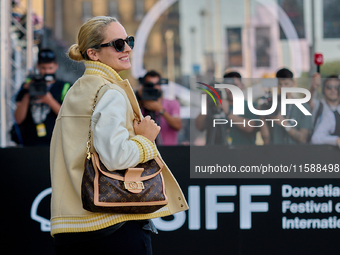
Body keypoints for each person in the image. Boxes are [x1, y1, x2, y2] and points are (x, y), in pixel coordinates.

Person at [50, 16, 188, 254]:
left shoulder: (75, 91)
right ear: (93, 53)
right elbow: (116, 157)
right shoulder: (110, 91)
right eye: (118, 44)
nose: (128, 49)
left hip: (70, 227)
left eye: (129, 41)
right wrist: (145, 140)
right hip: (112, 224)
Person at [13, 48, 71, 146]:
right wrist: (28, 93)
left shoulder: (64, 86)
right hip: (30, 143)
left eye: (50, 68)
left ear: (56, 66)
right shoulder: (28, 85)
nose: (47, 71)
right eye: (43, 68)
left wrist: (50, 100)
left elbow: (69, 117)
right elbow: (18, 119)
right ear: (38, 67)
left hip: (55, 143)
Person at [195, 71, 259, 145]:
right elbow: (199, 126)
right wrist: (206, 103)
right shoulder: (215, 105)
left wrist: (228, 113)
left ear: (242, 86)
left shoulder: (251, 106)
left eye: (235, 85)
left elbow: (250, 127)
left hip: (243, 154)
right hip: (219, 154)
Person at [260, 68, 312, 145]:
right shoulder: (270, 105)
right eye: (280, 84)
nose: (282, 87)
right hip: (275, 153)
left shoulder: (303, 107)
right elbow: (266, 140)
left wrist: (284, 123)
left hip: (295, 154)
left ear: (293, 83)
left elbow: (303, 139)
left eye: (286, 84)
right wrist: (261, 116)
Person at [136, 70, 182, 145]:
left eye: (156, 84)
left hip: (168, 151)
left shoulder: (172, 103)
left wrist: (161, 110)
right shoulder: (138, 106)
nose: (153, 88)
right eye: (150, 85)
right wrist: (140, 100)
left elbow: (178, 125)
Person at [310, 75, 340, 147]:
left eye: (337, 88)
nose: (333, 90)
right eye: (329, 87)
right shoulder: (319, 105)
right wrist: (313, 88)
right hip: (319, 150)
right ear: (323, 89)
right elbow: (307, 102)